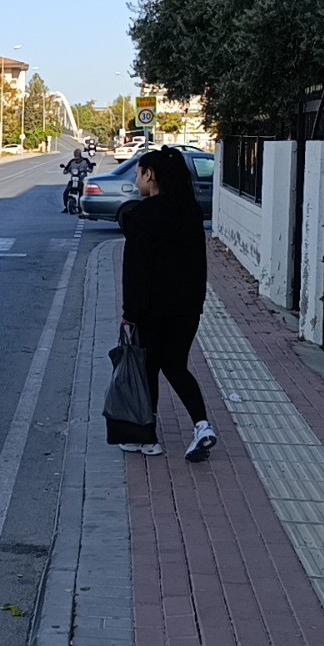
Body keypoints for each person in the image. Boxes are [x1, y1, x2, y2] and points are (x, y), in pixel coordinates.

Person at [116, 147, 217, 461]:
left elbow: (137, 271)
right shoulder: (191, 213)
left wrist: (130, 314)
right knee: (174, 365)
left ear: (151, 175)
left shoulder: (142, 217)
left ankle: (147, 439)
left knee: (146, 369)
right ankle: (202, 426)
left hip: (150, 310)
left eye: (139, 172)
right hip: (187, 308)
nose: (137, 178)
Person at [60, 148, 94, 213]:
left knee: (82, 193)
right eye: (76, 157)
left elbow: (90, 169)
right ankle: (66, 207)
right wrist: (65, 169)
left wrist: (88, 169)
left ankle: (82, 206)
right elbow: (66, 170)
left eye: (78, 157)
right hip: (73, 180)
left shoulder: (85, 160)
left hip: (82, 180)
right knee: (66, 192)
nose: (77, 159)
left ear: (81, 155)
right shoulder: (72, 161)